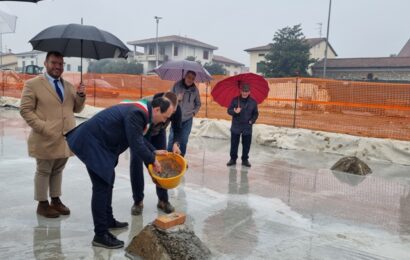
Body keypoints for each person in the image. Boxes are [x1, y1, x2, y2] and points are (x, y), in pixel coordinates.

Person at [65, 97, 173, 249]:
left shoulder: (142, 111)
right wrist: (152, 160)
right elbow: (136, 144)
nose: (164, 122)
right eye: (165, 117)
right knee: (101, 186)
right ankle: (100, 234)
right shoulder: (138, 113)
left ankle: (108, 220)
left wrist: (153, 151)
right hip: (93, 142)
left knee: (108, 181)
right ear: (156, 110)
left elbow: (137, 137)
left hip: (101, 143)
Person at [20, 51, 86, 218]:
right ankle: (42, 204)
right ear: (45, 63)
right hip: (45, 137)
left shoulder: (68, 86)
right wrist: (43, 127)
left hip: (66, 137)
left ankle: (55, 200)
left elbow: (76, 109)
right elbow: (25, 110)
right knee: (43, 170)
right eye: (54, 63)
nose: (57, 66)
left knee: (58, 170)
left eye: (60, 64)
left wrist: (80, 95)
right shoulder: (33, 84)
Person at [131, 92, 182, 216]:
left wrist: (176, 143)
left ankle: (163, 200)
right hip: (141, 134)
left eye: (173, 113)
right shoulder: (146, 106)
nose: (170, 116)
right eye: (168, 114)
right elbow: (140, 138)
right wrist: (152, 152)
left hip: (159, 133)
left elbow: (178, 128)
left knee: (162, 163)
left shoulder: (176, 108)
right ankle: (138, 201)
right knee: (136, 164)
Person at [167, 70, 201, 157]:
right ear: (185, 76)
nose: (190, 80)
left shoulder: (195, 90)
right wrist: (177, 99)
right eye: (189, 77)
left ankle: (180, 159)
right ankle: (168, 157)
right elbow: (169, 99)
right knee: (172, 138)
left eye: (193, 79)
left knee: (184, 139)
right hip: (175, 117)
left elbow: (198, 104)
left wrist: (193, 113)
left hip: (188, 119)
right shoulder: (177, 85)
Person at [226, 84, 259, 167]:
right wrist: (235, 112)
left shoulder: (253, 102)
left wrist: (252, 120)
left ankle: (245, 159)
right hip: (236, 126)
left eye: (246, 91)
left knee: (246, 144)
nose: (245, 93)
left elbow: (255, 114)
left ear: (249, 92)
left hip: (247, 126)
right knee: (234, 143)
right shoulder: (235, 100)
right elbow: (229, 110)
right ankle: (233, 159)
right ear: (241, 91)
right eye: (243, 91)